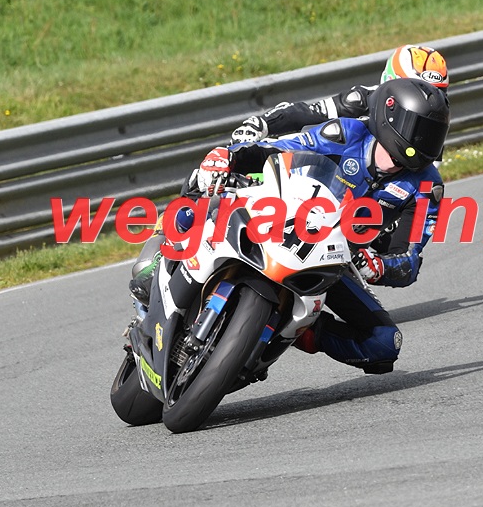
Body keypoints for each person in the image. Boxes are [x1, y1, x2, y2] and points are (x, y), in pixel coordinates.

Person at [193, 77, 450, 374]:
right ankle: (168, 252)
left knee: (384, 344)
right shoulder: (345, 133)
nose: (423, 140)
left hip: (334, 258)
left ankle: (293, 331)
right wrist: (231, 158)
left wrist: (377, 266)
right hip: (283, 218)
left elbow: (409, 259)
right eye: (417, 129)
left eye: (432, 133)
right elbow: (276, 149)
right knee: (204, 191)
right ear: (389, 117)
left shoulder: (427, 187)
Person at [229, 44, 449, 144]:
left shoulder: (432, 128)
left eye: (439, 92)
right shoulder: (362, 100)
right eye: (419, 90)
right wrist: (262, 124)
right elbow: (308, 113)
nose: (430, 101)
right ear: (393, 82)